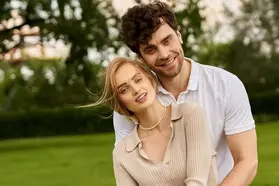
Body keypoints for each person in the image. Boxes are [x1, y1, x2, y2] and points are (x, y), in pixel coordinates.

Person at [115, 1, 258, 185]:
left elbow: (247, 161)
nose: (164, 54)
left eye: (167, 41)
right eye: (151, 49)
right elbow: (129, 167)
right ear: (140, 58)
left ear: (179, 35)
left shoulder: (226, 85)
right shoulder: (134, 103)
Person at [87, 57, 218, 185]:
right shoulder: (122, 155)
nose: (136, 90)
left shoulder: (190, 115)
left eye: (138, 79)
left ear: (150, 79)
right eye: (124, 90)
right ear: (120, 102)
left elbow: (198, 181)